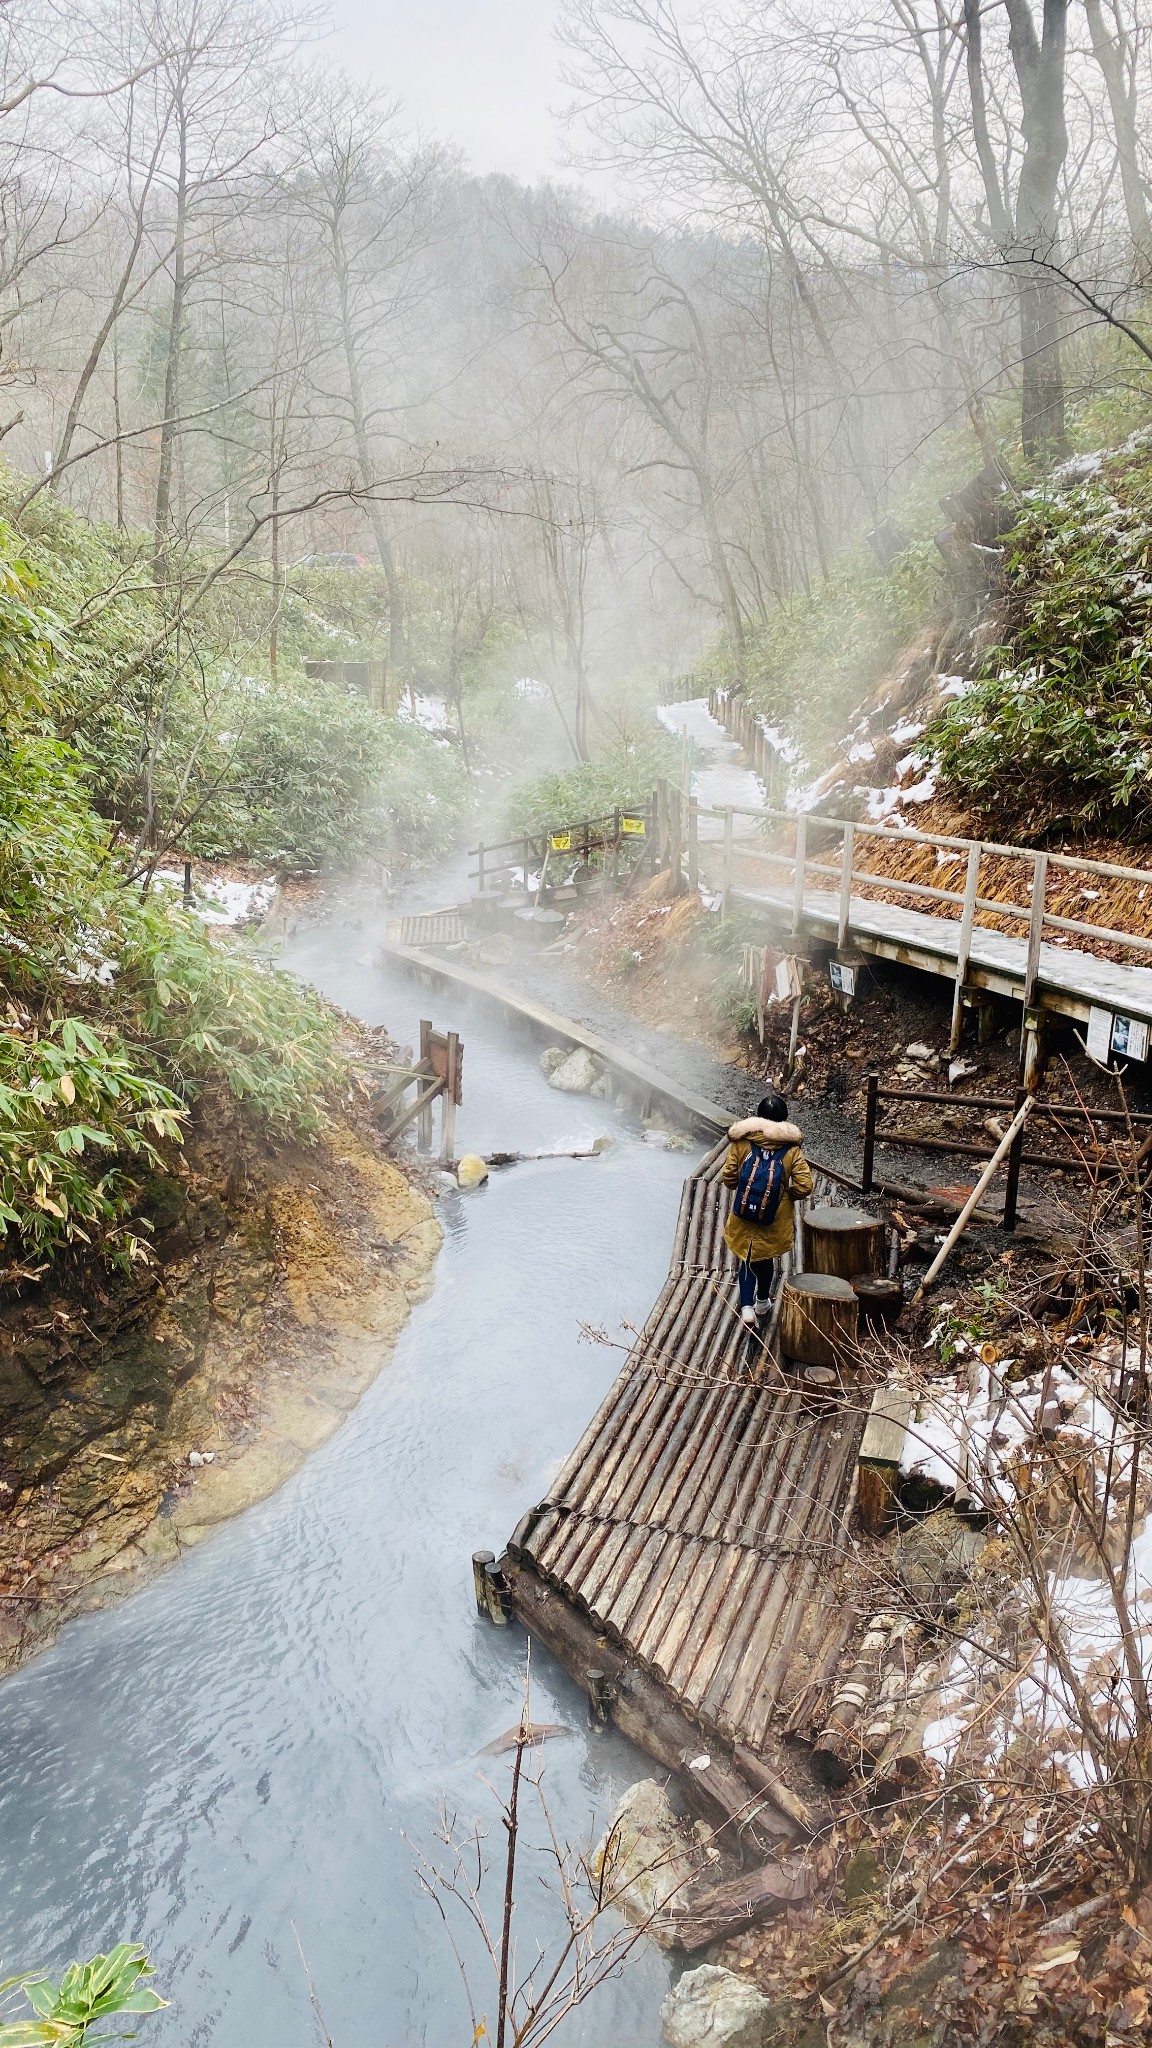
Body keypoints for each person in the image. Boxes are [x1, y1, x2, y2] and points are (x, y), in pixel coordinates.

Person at [721, 1092, 813, 1329]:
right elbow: (805, 1186)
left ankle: (746, 1307)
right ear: (784, 1121)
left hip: (744, 1213)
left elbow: (728, 1176)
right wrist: (786, 1196)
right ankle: (762, 1302)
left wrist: (740, 1187)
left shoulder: (742, 1142)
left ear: (759, 1117)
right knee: (765, 1258)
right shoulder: (791, 1150)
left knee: (747, 1259)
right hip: (773, 1217)